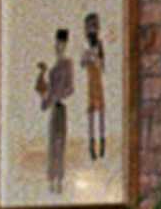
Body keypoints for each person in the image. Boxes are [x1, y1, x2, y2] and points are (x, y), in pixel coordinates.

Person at [36, 28, 75, 192]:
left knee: (60, 143)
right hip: (53, 107)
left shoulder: (67, 64)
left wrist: (55, 96)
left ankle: (59, 180)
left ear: (65, 45)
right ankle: (52, 180)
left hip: (60, 107)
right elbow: (49, 88)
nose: (58, 46)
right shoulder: (54, 66)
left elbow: (70, 88)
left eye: (61, 43)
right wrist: (45, 93)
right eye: (57, 43)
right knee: (53, 144)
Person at [81, 11, 109, 163]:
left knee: (101, 111)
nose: (91, 31)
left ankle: (102, 142)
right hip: (91, 81)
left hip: (97, 80)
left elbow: (102, 64)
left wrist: (95, 58)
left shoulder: (99, 45)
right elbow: (83, 62)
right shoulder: (86, 46)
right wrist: (88, 57)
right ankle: (92, 144)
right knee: (91, 111)